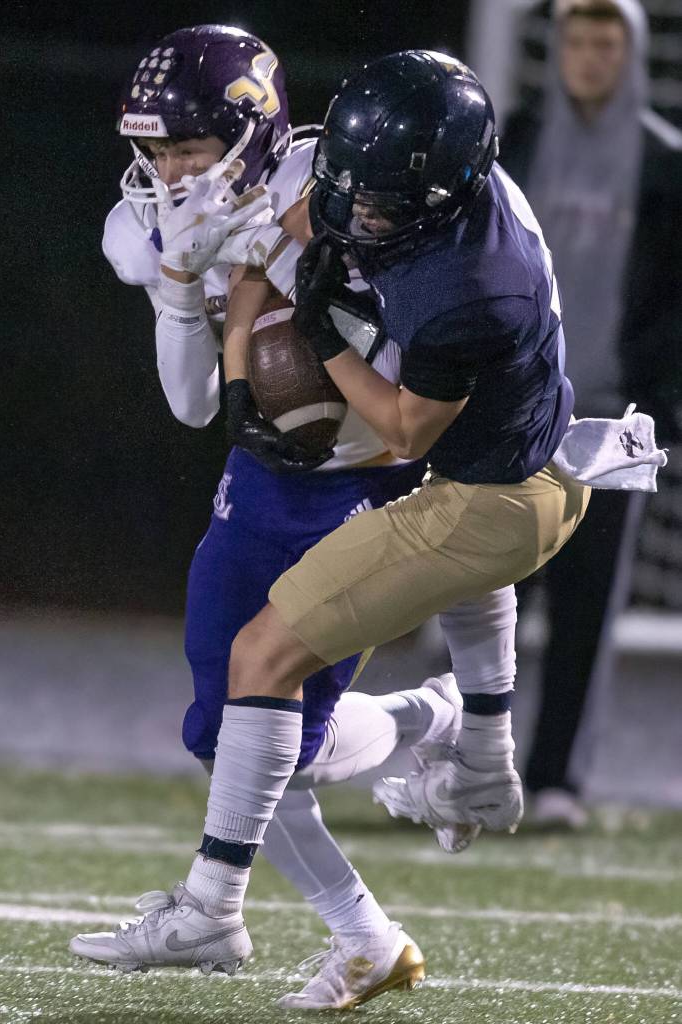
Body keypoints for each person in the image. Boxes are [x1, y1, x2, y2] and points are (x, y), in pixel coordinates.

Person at [71, 48, 590, 1002]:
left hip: (376, 470)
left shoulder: (346, 183)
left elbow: (426, 409)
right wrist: (186, 289)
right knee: (221, 728)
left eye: (191, 146)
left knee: (266, 699)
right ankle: (425, 762)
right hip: (262, 476)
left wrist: (278, 285)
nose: (172, 173)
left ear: (252, 128)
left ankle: (283, 906)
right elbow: (195, 406)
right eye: (157, 151)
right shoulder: (147, 227)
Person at [499, 0, 682, 827]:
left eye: (604, 42)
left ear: (630, 52)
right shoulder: (518, 141)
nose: (588, 57)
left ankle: (557, 783)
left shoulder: (662, 162)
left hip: (615, 416)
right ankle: (474, 768)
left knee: (585, 607)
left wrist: (661, 403)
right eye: (576, 40)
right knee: (490, 597)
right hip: (512, 410)